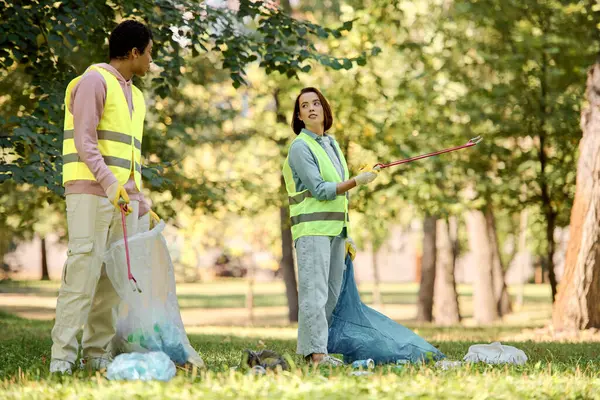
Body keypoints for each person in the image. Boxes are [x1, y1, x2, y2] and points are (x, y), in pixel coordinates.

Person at [50, 19, 160, 374]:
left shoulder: (136, 96)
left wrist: (137, 197)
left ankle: (96, 354)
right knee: (82, 274)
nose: (150, 60)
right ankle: (62, 359)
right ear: (133, 52)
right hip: (90, 193)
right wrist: (111, 186)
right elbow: (85, 142)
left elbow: (129, 155)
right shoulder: (93, 82)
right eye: (149, 52)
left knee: (113, 279)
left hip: (123, 200)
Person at [282, 87, 379, 366]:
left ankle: (317, 350)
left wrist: (347, 234)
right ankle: (316, 355)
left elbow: (341, 198)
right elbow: (322, 190)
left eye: (316, 103)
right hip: (312, 232)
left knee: (332, 295)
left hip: (336, 232)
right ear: (299, 116)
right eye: (304, 106)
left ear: (325, 110)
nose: (311, 108)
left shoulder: (331, 144)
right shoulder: (300, 147)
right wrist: (357, 181)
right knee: (315, 293)